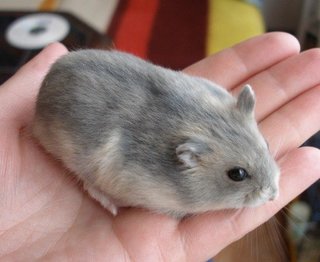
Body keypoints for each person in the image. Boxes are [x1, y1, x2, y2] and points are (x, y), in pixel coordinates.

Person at [0, 32, 319, 261]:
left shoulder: (221, 101)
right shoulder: (168, 171)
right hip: (72, 109)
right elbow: (121, 180)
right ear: (189, 157)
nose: (272, 191)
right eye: (237, 174)